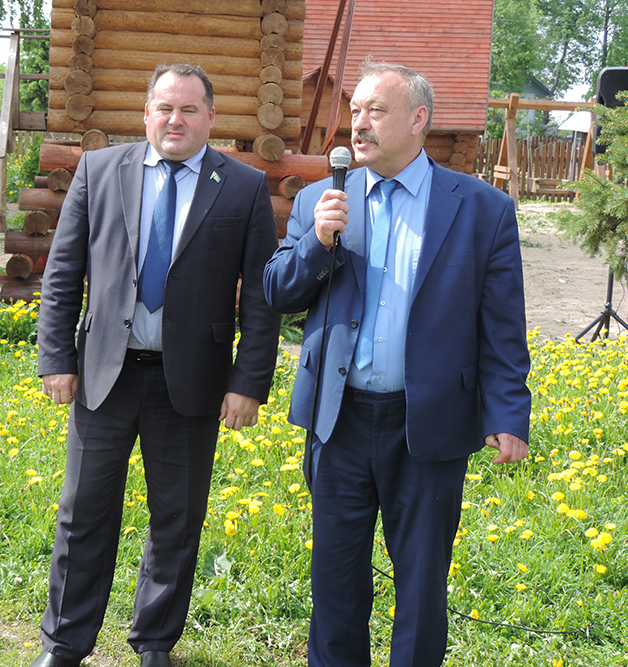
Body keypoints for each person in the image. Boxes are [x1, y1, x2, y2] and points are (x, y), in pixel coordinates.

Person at [263, 60, 531, 667]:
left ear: (418, 120)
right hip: (340, 421)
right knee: (334, 581)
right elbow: (276, 293)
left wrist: (509, 411)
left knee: (421, 585)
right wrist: (316, 243)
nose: (359, 124)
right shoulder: (318, 201)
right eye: (355, 111)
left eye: (375, 111)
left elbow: (503, 326)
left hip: (428, 424)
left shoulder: (481, 209)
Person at [32, 63, 282, 667]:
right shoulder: (99, 170)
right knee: (83, 514)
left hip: (191, 384)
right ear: (146, 112)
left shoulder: (244, 187)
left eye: (189, 109)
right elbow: (64, 271)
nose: (176, 119)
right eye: (165, 107)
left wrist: (249, 381)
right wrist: (55, 357)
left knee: (178, 518)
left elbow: (263, 297)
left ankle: (154, 644)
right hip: (103, 376)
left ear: (210, 118)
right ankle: (65, 644)